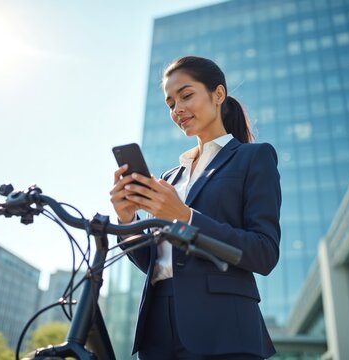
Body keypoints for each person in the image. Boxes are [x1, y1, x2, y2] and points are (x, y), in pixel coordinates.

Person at [110, 56, 281, 359]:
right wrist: (128, 219)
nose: (177, 109)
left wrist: (185, 217)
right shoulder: (169, 178)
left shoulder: (253, 158)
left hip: (224, 325)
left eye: (186, 95)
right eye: (170, 103)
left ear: (218, 94)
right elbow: (155, 260)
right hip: (157, 325)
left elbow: (264, 252)